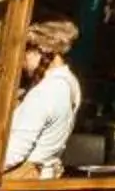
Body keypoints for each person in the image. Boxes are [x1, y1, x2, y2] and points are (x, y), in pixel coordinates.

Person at [5, 18, 82, 179]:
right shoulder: (70, 82)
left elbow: (15, 152)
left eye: (24, 52)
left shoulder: (45, 92)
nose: (22, 63)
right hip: (46, 174)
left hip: (24, 178)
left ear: (40, 50)